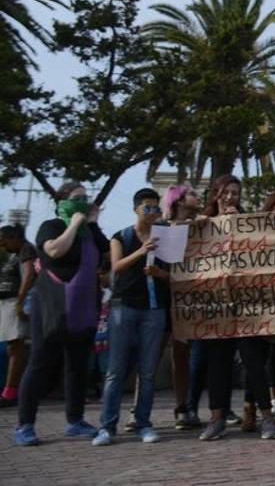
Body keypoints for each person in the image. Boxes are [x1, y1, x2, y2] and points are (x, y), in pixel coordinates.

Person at [12, 181, 109, 446]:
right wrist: (75, 223)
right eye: (76, 198)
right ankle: (24, 424)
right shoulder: (52, 226)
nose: (82, 201)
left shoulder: (90, 232)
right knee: (40, 362)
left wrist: (92, 222)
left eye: (84, 198)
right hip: (52, 303)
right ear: (62, 201)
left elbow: (106, 253)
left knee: (78, 366)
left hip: (84, 305)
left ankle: (75, 420)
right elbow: (54, 250)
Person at [197, 174, 275, 442]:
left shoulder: (249, 223)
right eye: (225, 193)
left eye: (235, 193)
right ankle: (216, 418)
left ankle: (266, 416)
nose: (230, 197)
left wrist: (238, 224)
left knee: (254, 363)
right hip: (216, 307)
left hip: (246, 307)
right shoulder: (202, 223)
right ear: (215, 194)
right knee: (217, 364)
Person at [92, 188, 172, 446]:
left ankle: (143, 423)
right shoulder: (121, 236)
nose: (152, 213)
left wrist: (160, 274)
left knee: (147, 372)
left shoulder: (165, 238)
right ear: (136, 209)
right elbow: (115, 267)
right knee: (115, 371)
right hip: (124, 307)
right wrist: (141, 252)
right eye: (147, 208)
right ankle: (107, 426)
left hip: (154, 308)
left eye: (156, 208)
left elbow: (175, 276)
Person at [161, 182, 205, 429]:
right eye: (191, 194)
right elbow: (168, 259)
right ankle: (138, 410)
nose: (196, 197)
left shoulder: (203, 224)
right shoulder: (164, 228)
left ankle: (184, 407)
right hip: (167, 298)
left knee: (185, 356)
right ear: (177, 200)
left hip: (194, 299)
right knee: (158, 354)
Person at [0, 225, 35, 408]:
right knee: (11, 348)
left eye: (5, 240)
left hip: (16, 301)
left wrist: (20, 302)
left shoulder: (25, 249)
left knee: (16, 348)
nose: (3, 245)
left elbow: (29, 275)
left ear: (14, 237)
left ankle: (11, 392)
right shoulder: (12, 253)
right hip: (7, 303)